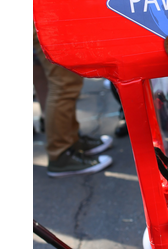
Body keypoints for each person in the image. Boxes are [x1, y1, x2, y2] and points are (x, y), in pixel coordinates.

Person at [34, 25, 113, 177]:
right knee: (64, 84)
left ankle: (70, 142)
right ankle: (61, 154)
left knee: (61, 82)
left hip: (41, 15)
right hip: (44, 17)